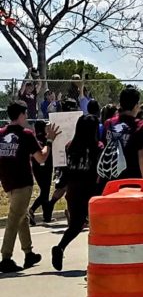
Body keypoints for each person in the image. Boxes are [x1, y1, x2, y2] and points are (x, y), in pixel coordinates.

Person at [1, 102, 57, 273]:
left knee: (21, 217)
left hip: (8, 182)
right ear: (22, 115)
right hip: (23, 183)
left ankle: (28, 252)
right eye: (25, 114)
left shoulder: (1, 134)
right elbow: (41, 158)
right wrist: (49, 141)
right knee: (13, 220)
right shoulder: (26, 134)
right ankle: (6, 258)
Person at [51, 110, 103, 271]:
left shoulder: (70, 147)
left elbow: (67, 170)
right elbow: (100, 170)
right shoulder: (97, 147)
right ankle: (100, 259)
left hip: (73, 190)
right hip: (92, 191)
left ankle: (60, 247)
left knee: (75, 225)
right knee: (100, 226)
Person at [99, 87, 143, 184]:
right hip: (132, 180)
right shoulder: (141, 127)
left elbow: (103, 149)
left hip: (109, 180)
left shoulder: (109, 123)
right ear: (136, 105)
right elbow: (142, 156)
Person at [29, 118, 55, 225]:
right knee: (45, 192)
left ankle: (47, 216)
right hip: (43, 168)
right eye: (45, 126)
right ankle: (31, 210)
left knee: (45, 191)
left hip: (39, 168)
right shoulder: (42, 140)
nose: (47, 128)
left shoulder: (37, 139)